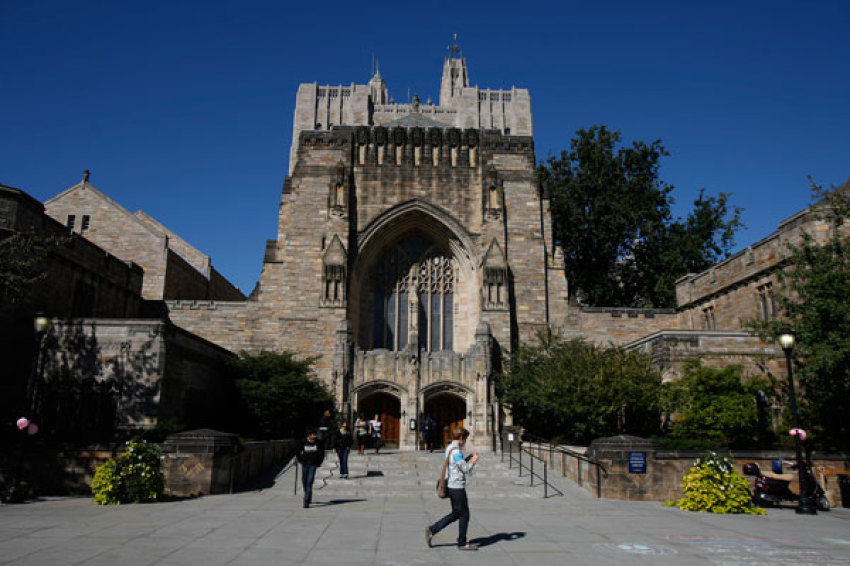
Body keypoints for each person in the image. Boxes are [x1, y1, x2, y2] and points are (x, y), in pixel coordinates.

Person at [425, 427, 479, 551]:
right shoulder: (456, 452)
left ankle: (432, 530)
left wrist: (467, 459)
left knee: (456, 513)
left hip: (452, 485)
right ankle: (461, 542)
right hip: (457, 487)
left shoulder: (450, 448)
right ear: (460, 438)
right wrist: (474, 461)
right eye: (465, 438)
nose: (465, 441)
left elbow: (456, 465)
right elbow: (466, 469)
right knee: (464, 514)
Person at [296, 429, 324, 508]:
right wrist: (300, 460)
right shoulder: (303, 442)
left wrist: (319, 462)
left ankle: (306, 500)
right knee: (304, 481)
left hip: (313, 464)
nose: (315, 436)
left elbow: (322, 453)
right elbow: (297, 451)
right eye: (313, 434)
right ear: (309, 435)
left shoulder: (318, 442)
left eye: (315, 435)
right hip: (305, 464)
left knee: (309, 481)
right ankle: (308, 494)